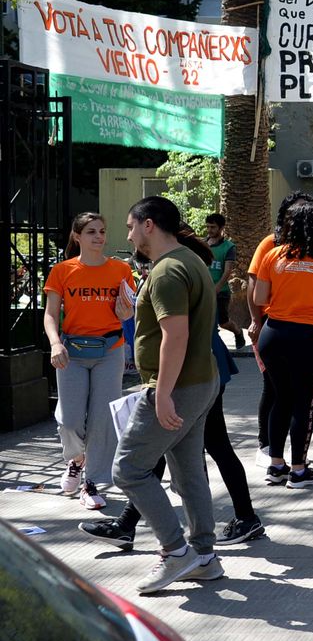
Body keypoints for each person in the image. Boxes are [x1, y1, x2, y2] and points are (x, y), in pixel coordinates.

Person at [112, 196, 223, 595]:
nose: (128, 235)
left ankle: (176, 552)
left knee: (128, 469)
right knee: (189, 473)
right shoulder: (189, 261)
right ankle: (204, 557)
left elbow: (175, 337)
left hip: (177, 386)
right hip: (199, 382)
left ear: (149, 225)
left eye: (130, 226)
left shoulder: (167, 271)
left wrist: (161, 394)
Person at [81, 325, 268, 549]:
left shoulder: (176, 299)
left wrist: (160, 386)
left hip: (188, 372)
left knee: (185, 448)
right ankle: (236, 523)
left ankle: (139, 530)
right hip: (194, 368)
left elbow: (176, 330)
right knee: (200, 447)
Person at [250, 200, 313, 488]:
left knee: (281, 399)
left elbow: (259, 298)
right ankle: (299, 471)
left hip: (273, 334)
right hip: (307, 337)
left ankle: (276, 466)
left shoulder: (273, 255)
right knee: (303, 403)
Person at [44, 212, 135, 510]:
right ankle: (76, 459)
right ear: (77, 236)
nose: (99, 237)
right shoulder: (62, 270)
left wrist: (126, 313)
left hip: (110, 350)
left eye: (102, 231)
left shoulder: (121, 269)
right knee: (70, 420)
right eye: (92, 231)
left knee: (101, 418)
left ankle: (92, 482)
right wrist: (55, 343)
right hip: (71, 351)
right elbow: (50, 314)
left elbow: (128, 311)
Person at [247, 192, 313, 469]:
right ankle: (265, 445)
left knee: (297, 395)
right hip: (271, 325)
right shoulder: (271, 244)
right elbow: (254, 284)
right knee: (274, 388)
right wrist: (256, 320)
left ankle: (292, 452)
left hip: (305, 328)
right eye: (295, 211)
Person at [204, 213, 244, 348]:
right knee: (207, 322)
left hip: (221, 292)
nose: (209, 230)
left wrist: (217, 288)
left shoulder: (229, 247)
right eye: (208, 227)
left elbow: (227, 271)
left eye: (213, 227)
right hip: (204, 290)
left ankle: (238, 332)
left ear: (221, 228)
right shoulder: (202, 244)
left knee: (223, 322)